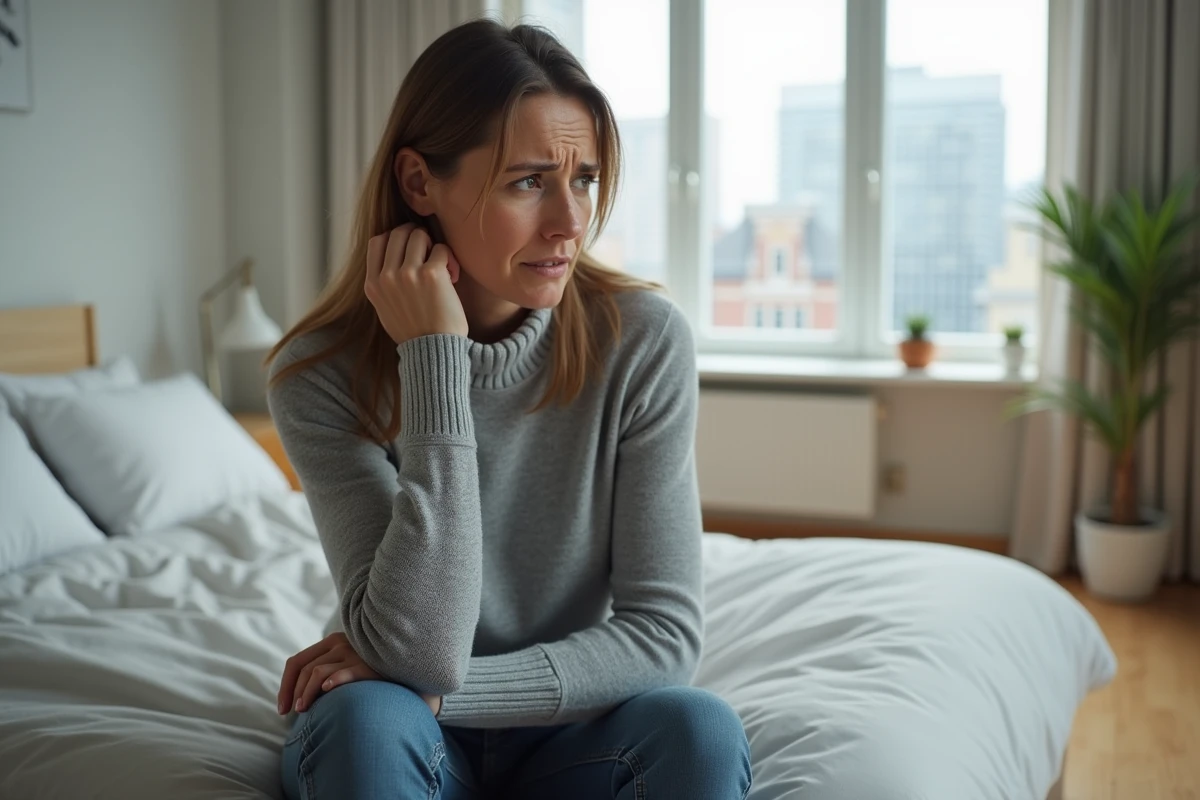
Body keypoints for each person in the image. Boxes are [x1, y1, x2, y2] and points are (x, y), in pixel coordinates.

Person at [264, 17, 751, 800]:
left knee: (700, 731)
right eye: (529, 181)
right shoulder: (319, 376)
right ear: (420, 183)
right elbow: (416, 648)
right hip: (397, 727)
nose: (570, 222)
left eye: (584, 178)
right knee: (365, 726)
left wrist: (459, 693)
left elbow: (664, 636)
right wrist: (432, 361)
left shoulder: (642, 341)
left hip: (578, 733)